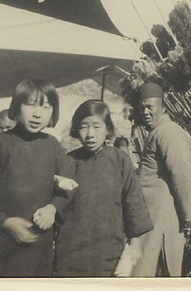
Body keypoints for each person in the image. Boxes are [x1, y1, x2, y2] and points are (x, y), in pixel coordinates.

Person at [0, 79, 75, 277]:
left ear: (53, 112)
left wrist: (52, 208)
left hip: (38, 249)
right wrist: (6, 222)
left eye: (45, 107)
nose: (37, 113)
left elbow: (68, 186)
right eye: (30, 104)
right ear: (17, 106)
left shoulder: (54, 147)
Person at [53, 100, 153, 277]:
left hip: (109, 252)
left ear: (107, 129)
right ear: (76, 130)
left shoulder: (120, 160)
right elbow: (56, 207)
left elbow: (133, 202)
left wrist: (134, 247)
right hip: (71, 253)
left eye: (96, 127)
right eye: (84, 127)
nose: (90, 134)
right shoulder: (68, 161)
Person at [133, 82, 191, 277]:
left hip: (162, 221)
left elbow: (182, 175)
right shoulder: (156, 132)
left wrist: (188, 218)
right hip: (150, 219)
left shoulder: (169, 132)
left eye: (150, 107)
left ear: (163, 107)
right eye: (141, 107)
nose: (145, 112)